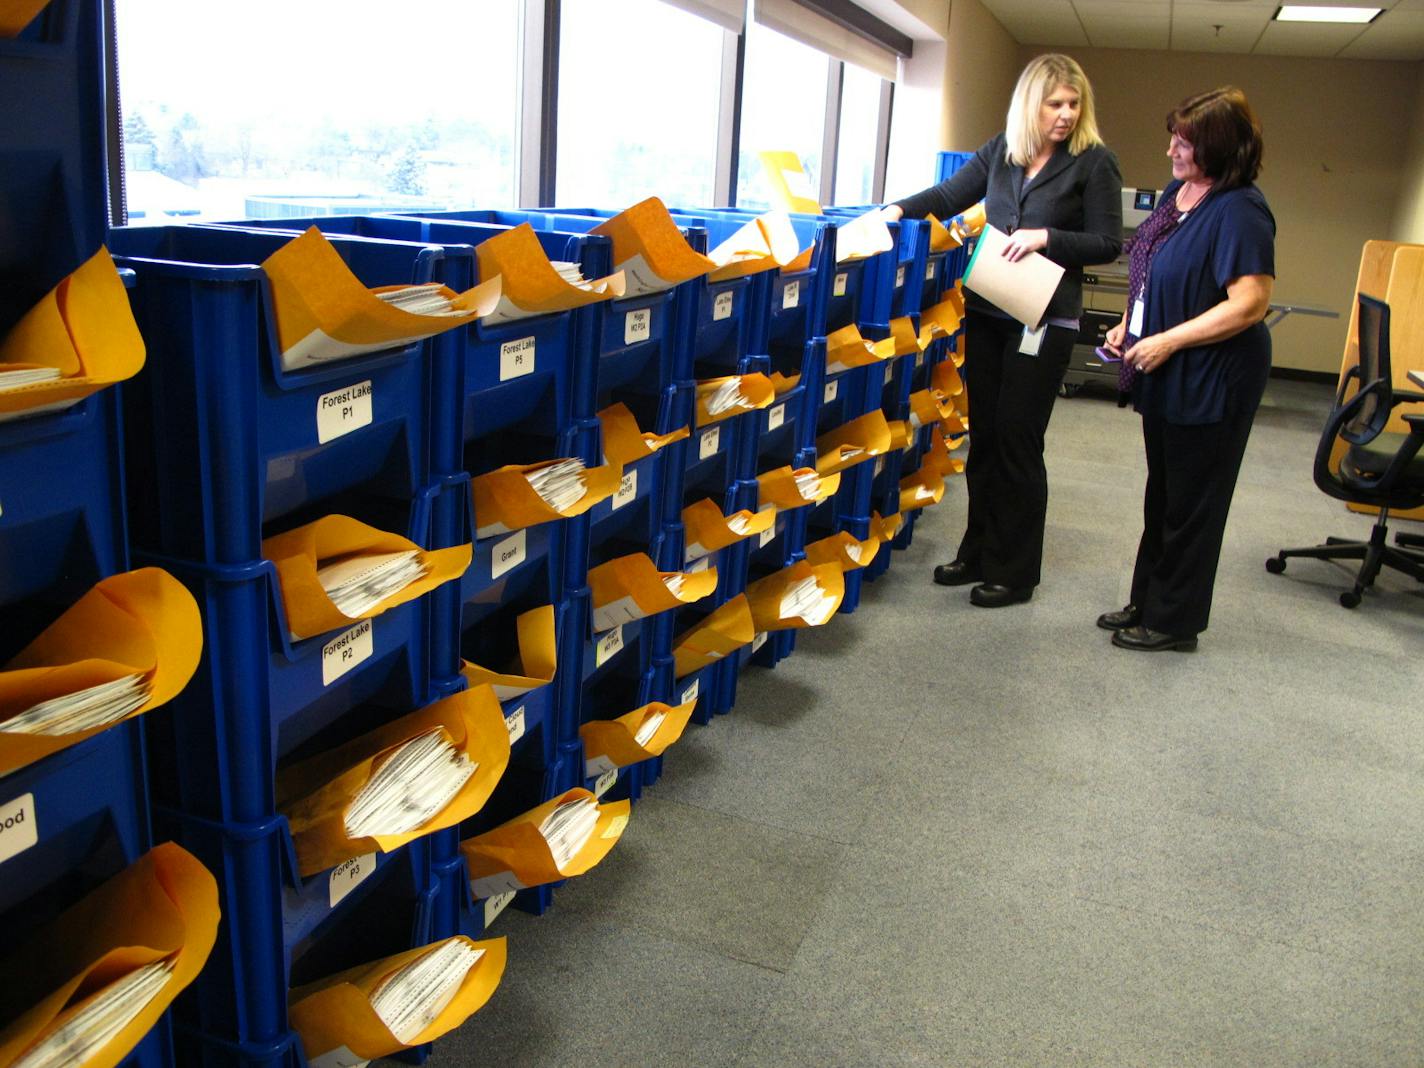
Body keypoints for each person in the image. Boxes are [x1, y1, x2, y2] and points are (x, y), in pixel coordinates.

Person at [886, 54, 1123, 608]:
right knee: (986, 438)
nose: (1066, 115)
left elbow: (1108, 244)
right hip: (992, 312)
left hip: (1044, 319)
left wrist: (1047, 238)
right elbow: (949, 197)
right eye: (1055, 104)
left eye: (1073, 104)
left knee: (1018, 440)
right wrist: (895, 211)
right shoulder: (1003, 152)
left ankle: (1015, 572)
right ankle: (978, 550)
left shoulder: (1094, 163)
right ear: (1030, 105)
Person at [1097, 86, 1274, 652]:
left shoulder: (1240, 208)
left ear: (1220, 149)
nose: (1173, 147)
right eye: (1174, 134)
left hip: (1215, 374)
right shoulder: (1182, 191)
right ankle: (1148, 599)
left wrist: (1168, 339)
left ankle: (1175, 623)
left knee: (1195, 503)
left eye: (1188, 141)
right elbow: (1150, 264)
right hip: (1168, 365)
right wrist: (1130, 322)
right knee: (1164, 494)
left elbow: (1249, 303)